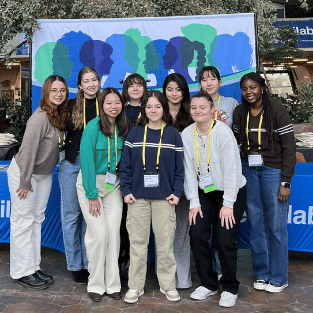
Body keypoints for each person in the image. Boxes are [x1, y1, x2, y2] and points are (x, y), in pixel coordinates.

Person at [233, 72, 296, 293]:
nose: (249, 92)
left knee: (276, 226)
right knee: (256, 224)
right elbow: (236, 144)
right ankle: (261, 273)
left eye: (253, 87)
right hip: (248, 171)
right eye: (244, 88)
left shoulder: (278, 111)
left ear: (262, 87)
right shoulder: (240, 112)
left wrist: (285, 182)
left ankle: (279, 277)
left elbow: (289, 149)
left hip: (273, 172)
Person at [119, 90, 184, 303]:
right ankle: (135, 286)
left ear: (164, 108)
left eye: (157, 106)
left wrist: (177, 192)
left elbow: (179, 169)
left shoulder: (173, 134)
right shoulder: (135, 133)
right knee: (137, 243)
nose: (153, 111)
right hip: (137, 198)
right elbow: (125, 165)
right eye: (149, 107)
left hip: (165, 198)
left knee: (165, 244)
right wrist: (126, 191)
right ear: (143, 109)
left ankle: (168, 284)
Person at [182, 92, 246, 308]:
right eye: (194, 107)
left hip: (231, 190)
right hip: (205, 191)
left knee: (225, 238)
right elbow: (189, 171)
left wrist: (228, 204)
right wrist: (193, 201)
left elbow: (233, 170)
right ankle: (209, 284)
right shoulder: (186, 134)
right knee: (197, 233)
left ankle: (229, 287)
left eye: (202, 107)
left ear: (212, 110)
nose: (198, 111)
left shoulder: (223, 133)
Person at [8, 75, 70, 289]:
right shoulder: (40, 117)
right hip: (26, 173)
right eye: (54, 90)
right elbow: (27, 152)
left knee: (36, 220)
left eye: (62, 90)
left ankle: (33, 266)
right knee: (22, 221)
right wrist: (24, 182)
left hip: (44, 175)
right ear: (46, 92)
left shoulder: (58, 115)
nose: (59, 94)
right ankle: (21, 271)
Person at [76, 87, 127, 302]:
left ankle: (113, 283)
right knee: (99, 234)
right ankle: (95, 283)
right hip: (90, 184)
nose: (113, 106)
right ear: (101, 105)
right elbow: (86, 162)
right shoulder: (92, 127)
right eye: (109, 103)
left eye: (117, 102)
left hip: (113, 184)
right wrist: (91, 194)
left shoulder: (124, 127)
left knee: (114, 234)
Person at [58, 66, 101, 284]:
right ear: (80, 85)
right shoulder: (70, 106)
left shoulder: (106, 104)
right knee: (71, 216)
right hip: (72, 164)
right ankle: (75, 265)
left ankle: (89, 263)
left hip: (95, 167)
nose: (91, 84)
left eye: (94, 79)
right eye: (87, 81)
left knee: (90, 216)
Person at [199, 65, 239, 278]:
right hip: (205, 173)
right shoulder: (196, 104)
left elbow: (237, 133)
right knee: (205, 228)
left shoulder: (231, 104)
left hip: (227, 171)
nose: (209, 83)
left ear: (220, 81)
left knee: (223, 229)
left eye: (212, 78)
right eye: (204, 79)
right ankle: (210, 271)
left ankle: (224, 270)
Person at [163, 73, 193, 289]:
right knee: (163, 229)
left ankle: (182, 278)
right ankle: (165, 276)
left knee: (182, 229)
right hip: (159, 180)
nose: (174, 93)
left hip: (185, 180)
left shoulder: (193, 113)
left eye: (178, 89)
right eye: (170, 89)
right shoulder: (155, 113)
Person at [119, 73, 148, 278]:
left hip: (146, 170)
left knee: (140, 219)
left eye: (139, 85)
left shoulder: (151, 108)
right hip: (122, 169)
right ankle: (123, 259)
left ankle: (140, 262)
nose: (135, 89)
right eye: (131, 85)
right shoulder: (120, 109)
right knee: (122, 220)